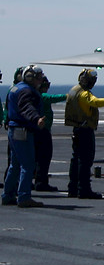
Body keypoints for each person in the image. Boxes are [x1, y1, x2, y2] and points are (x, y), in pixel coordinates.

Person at [64, 68, 104, 199]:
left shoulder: (73, 90)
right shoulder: (84, 94)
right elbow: (95, 102)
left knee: (76, 160)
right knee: (85, 161)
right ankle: (84, 189)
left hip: (77, 128)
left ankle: (72, 188)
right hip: (85, 130)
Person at [2, 65, 46, 208]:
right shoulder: (27, 91)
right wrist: (36, 119)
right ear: (31, 77)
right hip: (23, 129)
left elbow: (9, 108)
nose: (41, 79)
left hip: (13, 129)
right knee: (28, 165)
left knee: (15, 165)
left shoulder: (15, 88)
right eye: (38, 76)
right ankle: (24, 197)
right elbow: (26, 107)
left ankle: (8, 195)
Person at [34, 76, 67, 192]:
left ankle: (37, 181)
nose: (47, 88)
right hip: (43, 131)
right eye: (46, 86)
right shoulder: (41, 96)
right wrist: (68, 96)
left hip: (39, 130)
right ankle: (41, 182)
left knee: (37, 158)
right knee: (44, 157)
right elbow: (53, 98)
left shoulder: (35, 96)